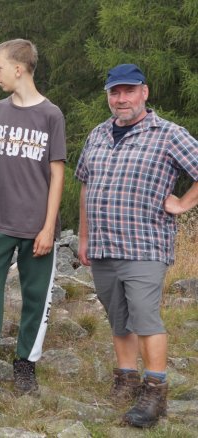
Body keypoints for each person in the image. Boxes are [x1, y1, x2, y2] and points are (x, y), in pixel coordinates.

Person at [76, 63, 198, 428]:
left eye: (129, 90)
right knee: (118, 315)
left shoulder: (168, 134)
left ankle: (155, 391)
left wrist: (182, 203)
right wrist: (83, 237)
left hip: (145, 244)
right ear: (108, 96)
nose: (121, 98)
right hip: (102, 246)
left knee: (144, 316)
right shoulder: (97, 134)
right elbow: (85, 185)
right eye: (115, 92)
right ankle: (126, 377)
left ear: (144, 92)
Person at [0, 39, 66, 396]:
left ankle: (25, 364)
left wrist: (49, 226)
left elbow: (57, 175)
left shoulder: (51, 115)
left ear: (18, 69)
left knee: (36, 296)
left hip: (37, 225)